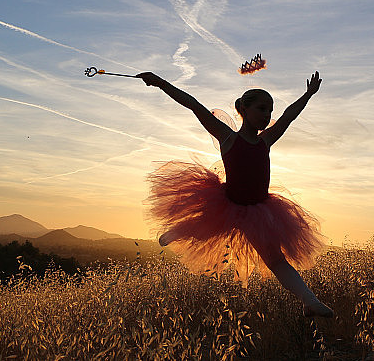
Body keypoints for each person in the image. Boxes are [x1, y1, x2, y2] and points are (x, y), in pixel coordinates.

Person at [137, 70, 333, 317]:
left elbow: (288, 116)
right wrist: (160, 82)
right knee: (208, 227)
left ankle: (309, 301)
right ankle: (177, 231)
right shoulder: (228, 137)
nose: (267, 115)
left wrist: (308, 95)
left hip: (260, 210)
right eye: (262, 109)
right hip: (230, 203)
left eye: (270, 110)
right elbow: (193, 105)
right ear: (244, 110)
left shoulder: (265, 140)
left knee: (276, 260)